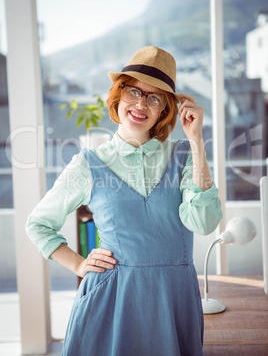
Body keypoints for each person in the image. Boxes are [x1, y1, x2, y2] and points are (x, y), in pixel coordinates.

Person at [26, 46, 223, 356]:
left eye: (154, 97)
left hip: (173, 299)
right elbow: (37, 224)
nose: (141, 103)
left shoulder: (184, 157)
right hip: (111, 300)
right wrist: (78, 264)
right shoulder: (88, 163)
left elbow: (204, 221)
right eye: (133, 91)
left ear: (165, 109)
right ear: (118, 96)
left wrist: (197, 142)